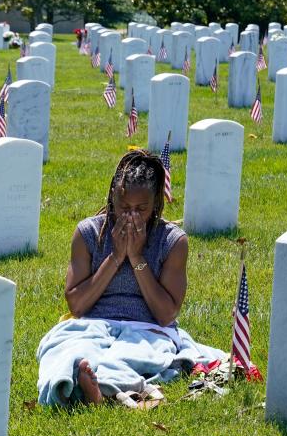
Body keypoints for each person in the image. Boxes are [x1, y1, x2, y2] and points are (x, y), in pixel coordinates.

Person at [36, 150, 225, 407]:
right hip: (92, 324)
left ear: (155, 205)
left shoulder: (172, 241)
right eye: (124, 207)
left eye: (141, 209)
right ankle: (83, 380)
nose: (131, 215)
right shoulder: (88, 232)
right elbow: (77, 306)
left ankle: (95, 387)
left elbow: (166, 314)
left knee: (134, 354)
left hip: (146, 328)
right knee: (66, 350)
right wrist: (115, 257)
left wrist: (136, 258)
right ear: (112, 198)